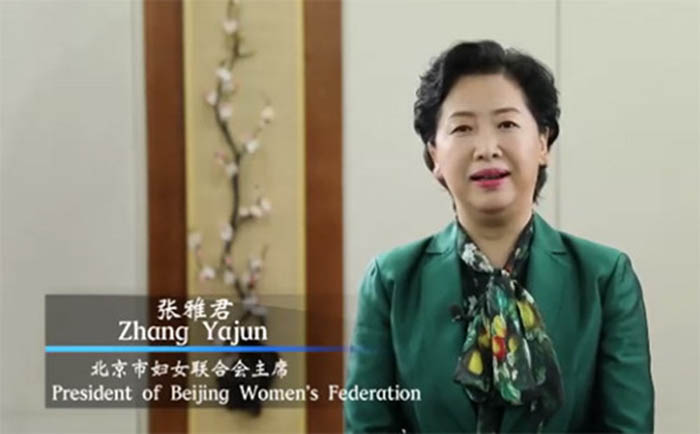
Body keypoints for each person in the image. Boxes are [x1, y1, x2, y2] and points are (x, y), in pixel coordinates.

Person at [344, 40, 654, 433]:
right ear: (435, 155)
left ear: (542, 142)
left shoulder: (604, 278)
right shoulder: (391, 282)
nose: (487, 149)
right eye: (462, 128)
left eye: (506, 124)